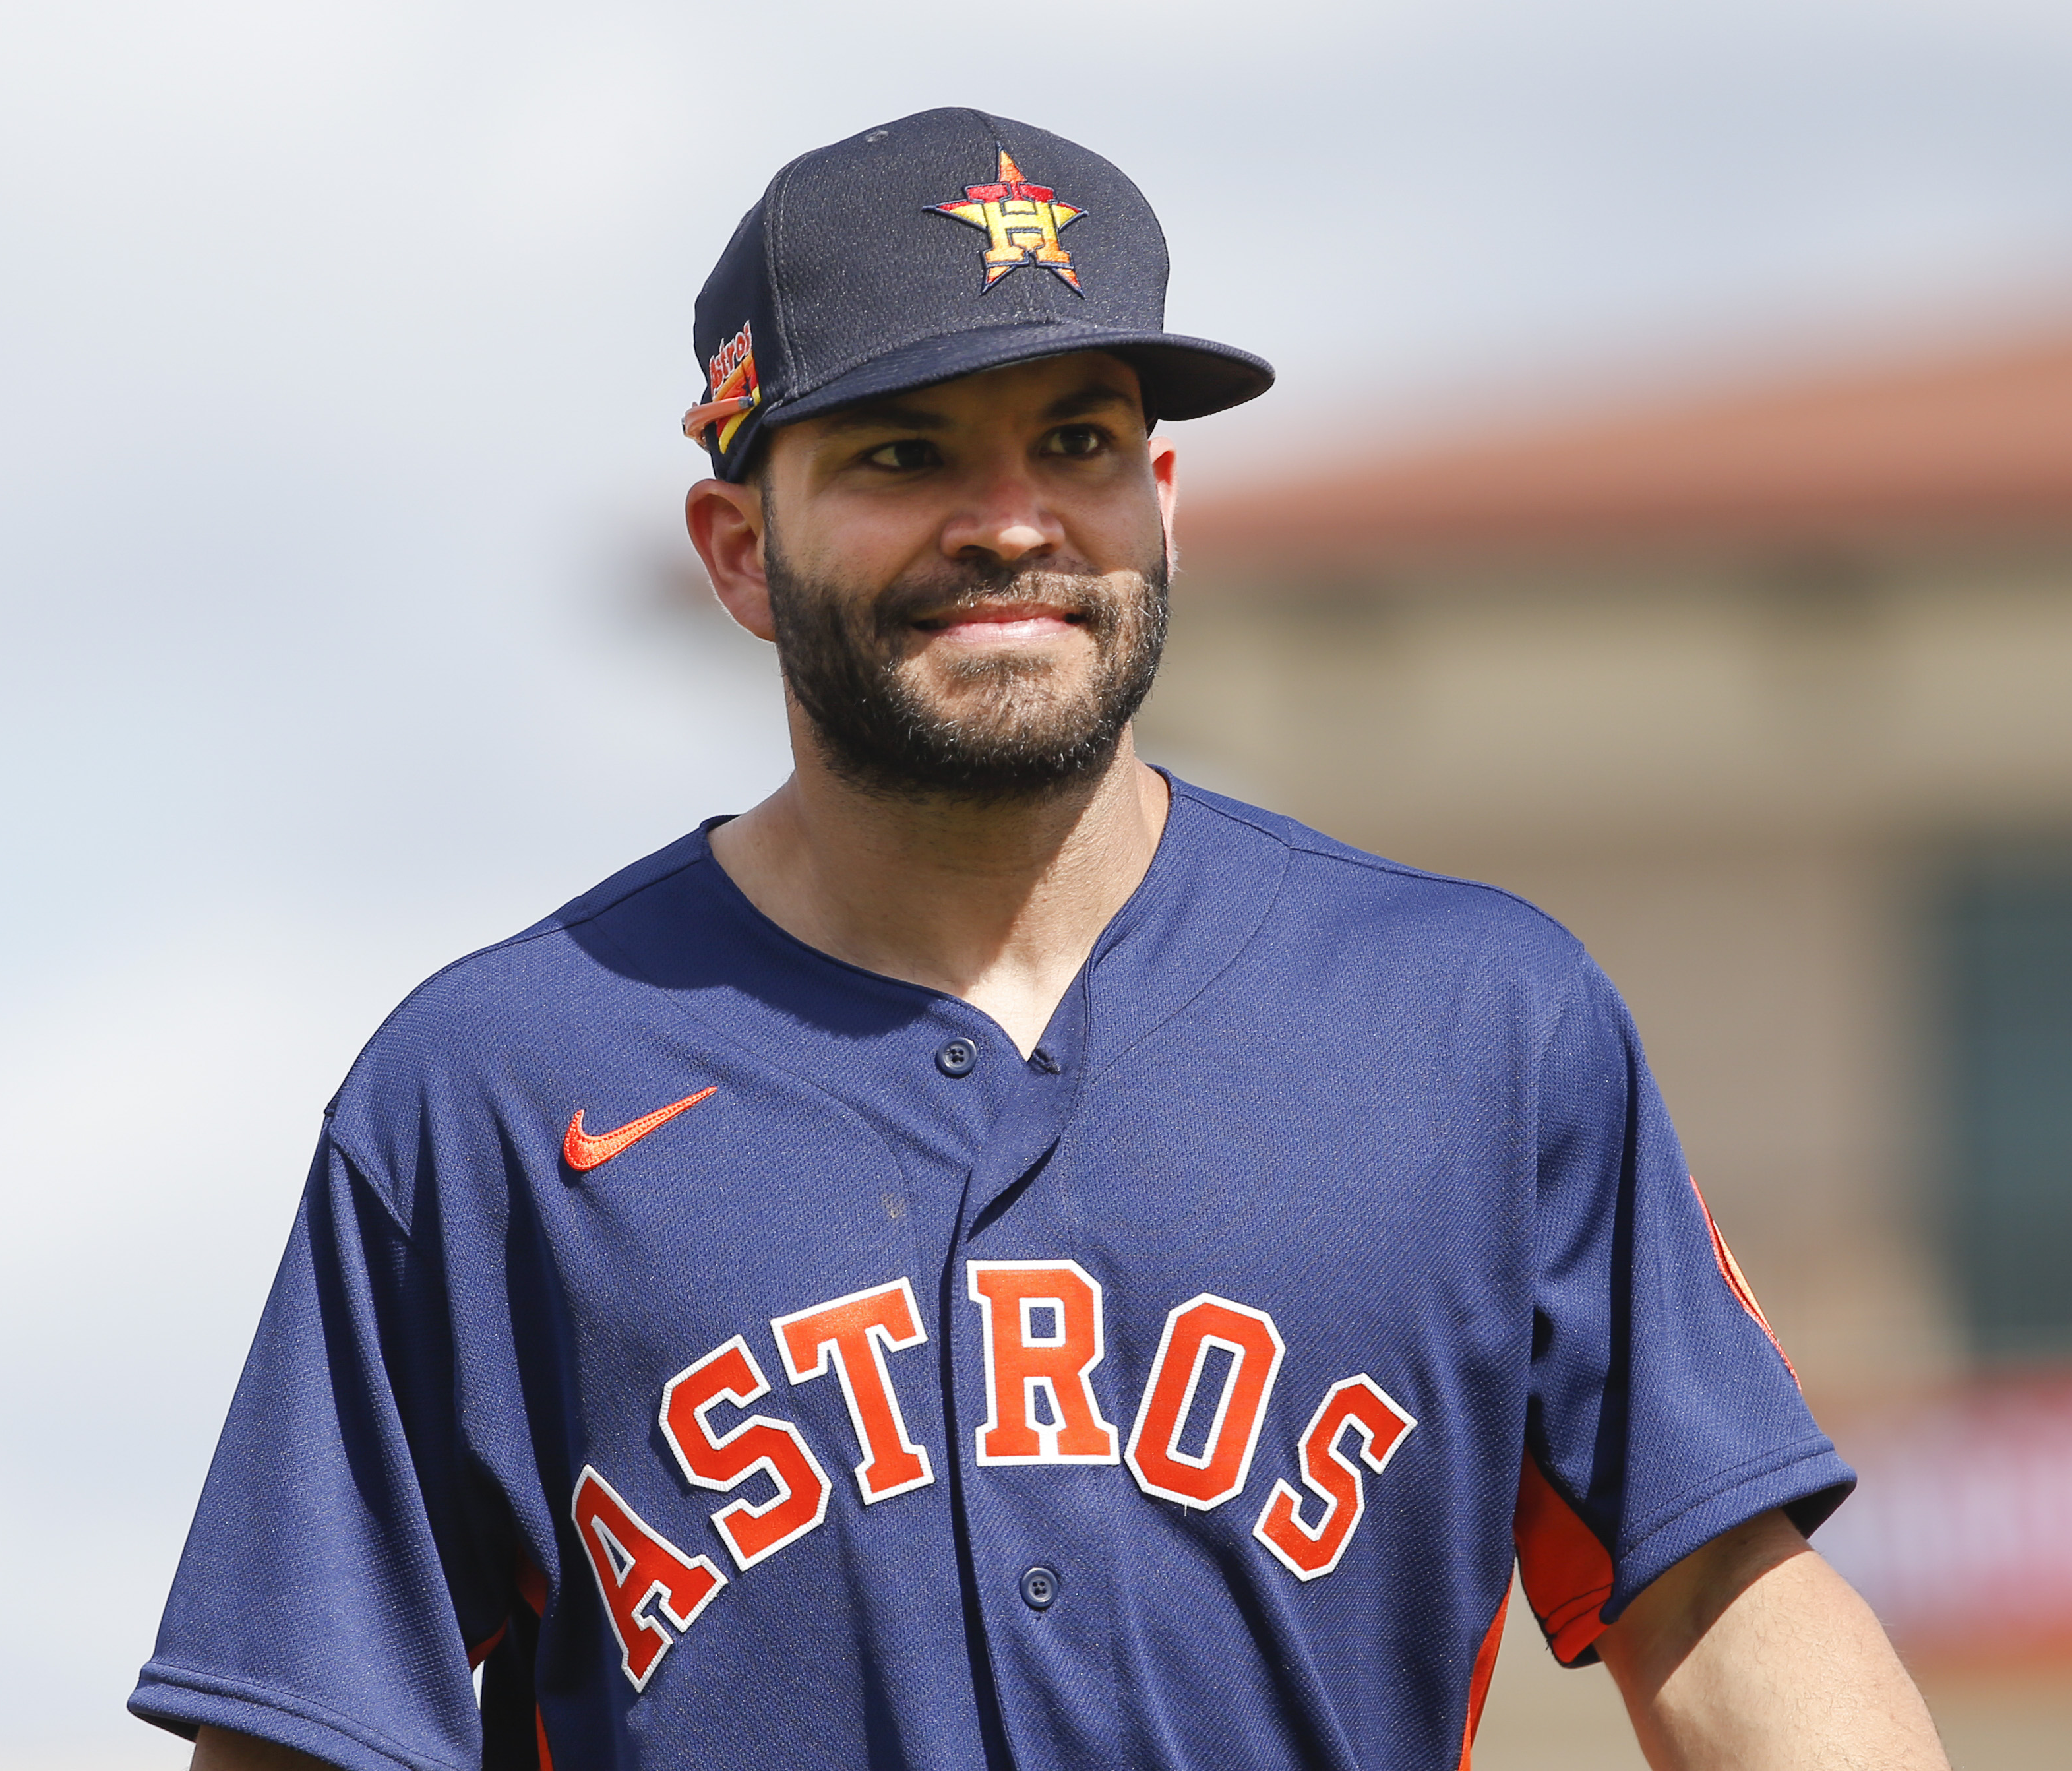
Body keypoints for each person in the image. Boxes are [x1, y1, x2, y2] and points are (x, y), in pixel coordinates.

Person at [133, 108, 1949, 1771]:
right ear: (738, 549)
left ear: (1162, 504)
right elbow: (305, 1732)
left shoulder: (1474, 1019)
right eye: (904, 452)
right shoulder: (498, 1088)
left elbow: (1719, 1608)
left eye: (1074, 441)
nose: (1008, 522)